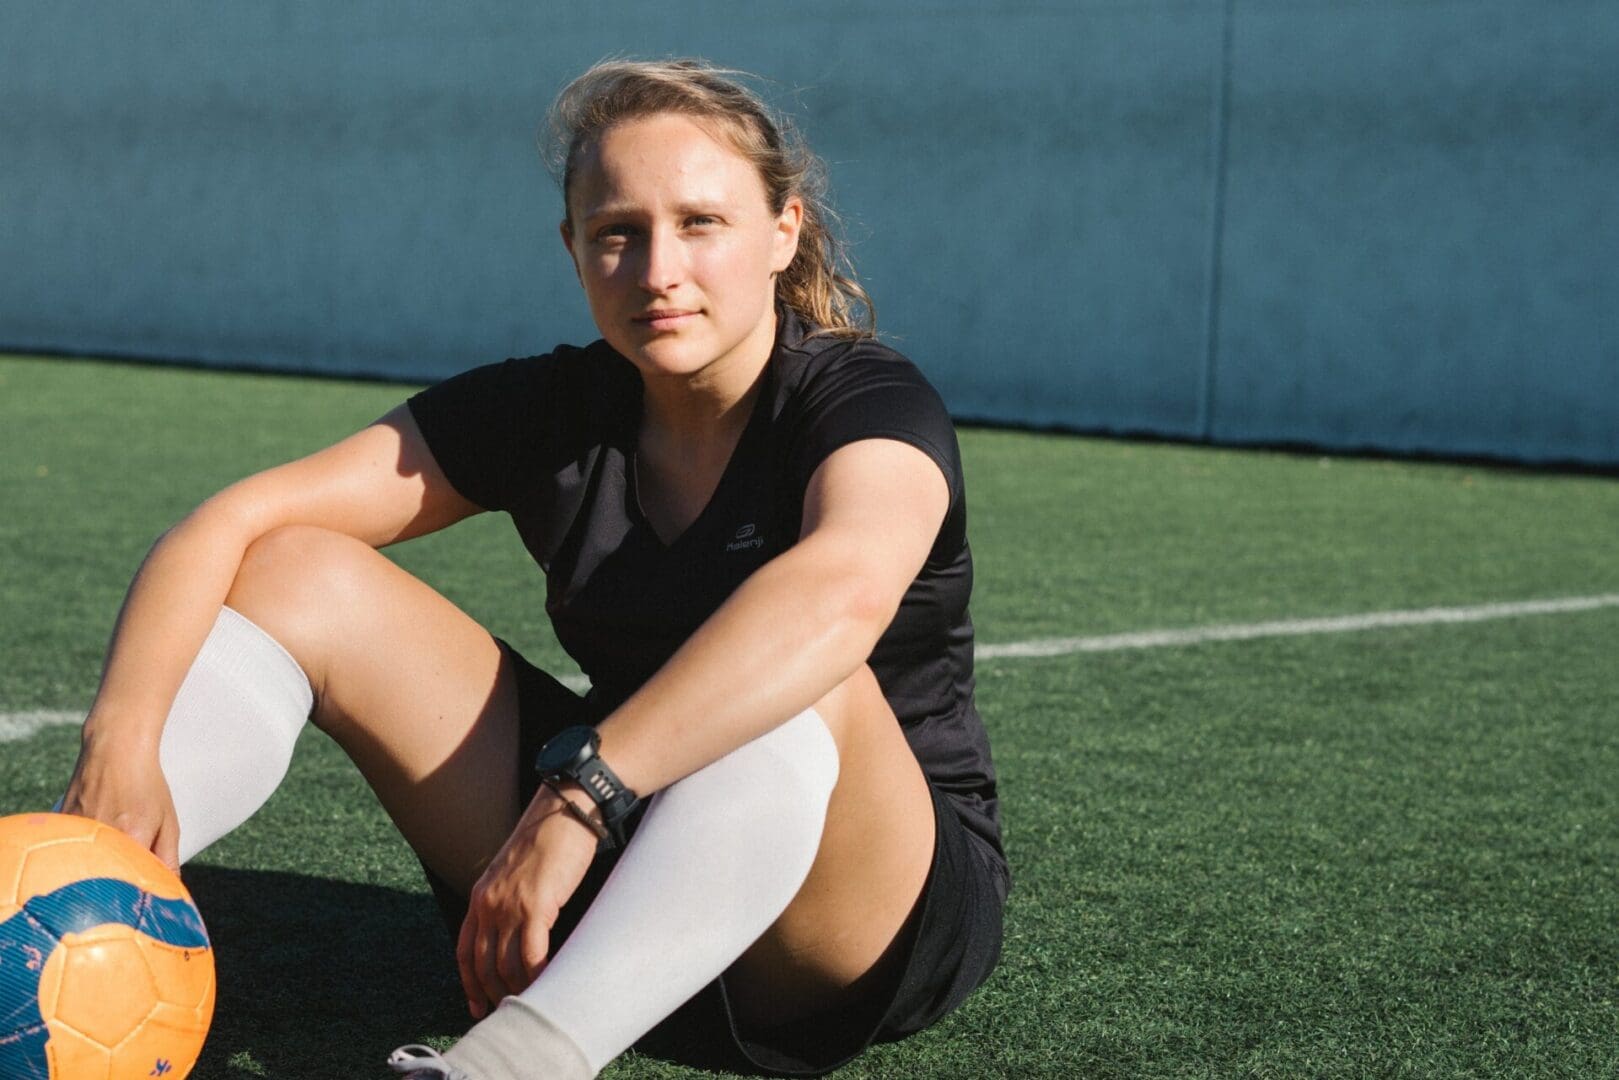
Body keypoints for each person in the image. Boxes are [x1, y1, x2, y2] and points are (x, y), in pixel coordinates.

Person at [58, 58, 1007, 1079]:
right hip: (621, 902)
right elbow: (232, 524)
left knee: (802, 672)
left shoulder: (863, 400)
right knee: (295, 566)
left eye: (699, 223)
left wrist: (580, 796)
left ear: (782, 231)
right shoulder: (552, 406)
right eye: (617, 232)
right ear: (574, 249)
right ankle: (76, 904)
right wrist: (124, 736)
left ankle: (510, 1066)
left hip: (849, 926)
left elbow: (842, 595)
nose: (656, 271)